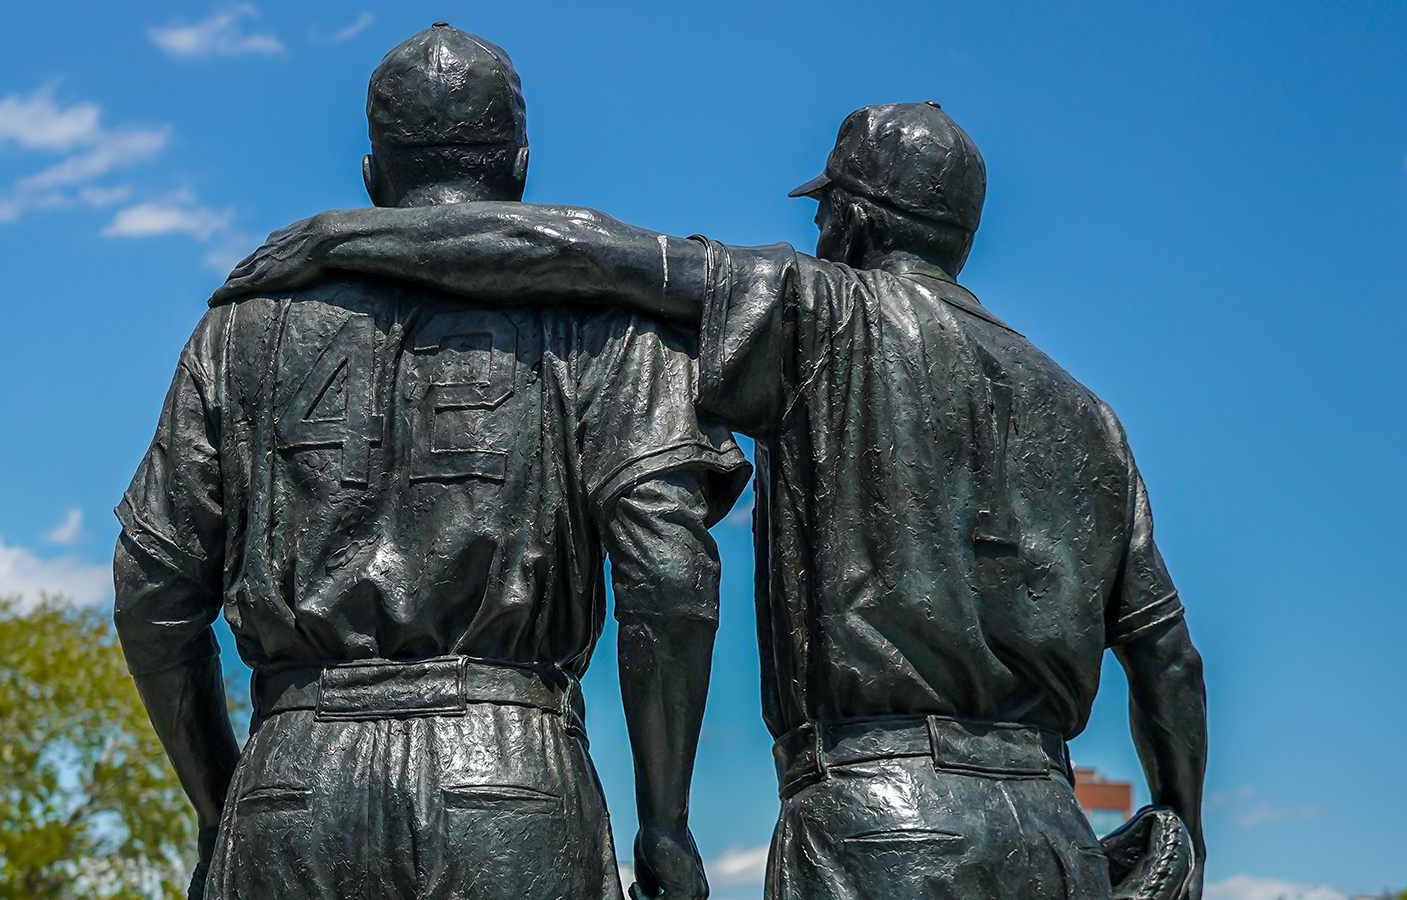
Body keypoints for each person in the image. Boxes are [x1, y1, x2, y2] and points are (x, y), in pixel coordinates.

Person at [212, 101, 1210, 900]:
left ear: (851, 221)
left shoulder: (821, 309)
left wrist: (345, 235)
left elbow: (574, 250)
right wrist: (1183, 833)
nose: (813, 226)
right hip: (1054, 832)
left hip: (882, 828)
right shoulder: (1089, 417)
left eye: (823, 212)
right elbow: (1167, 659)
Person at [114, 24, 748, 900]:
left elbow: (151, 595)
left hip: (289, 780)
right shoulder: (606, 325)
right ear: (519, 167)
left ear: (372, 177)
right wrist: (664, 826)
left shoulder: (237, 332)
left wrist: (222, 805)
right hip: (511, 783)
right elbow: (669, 582)